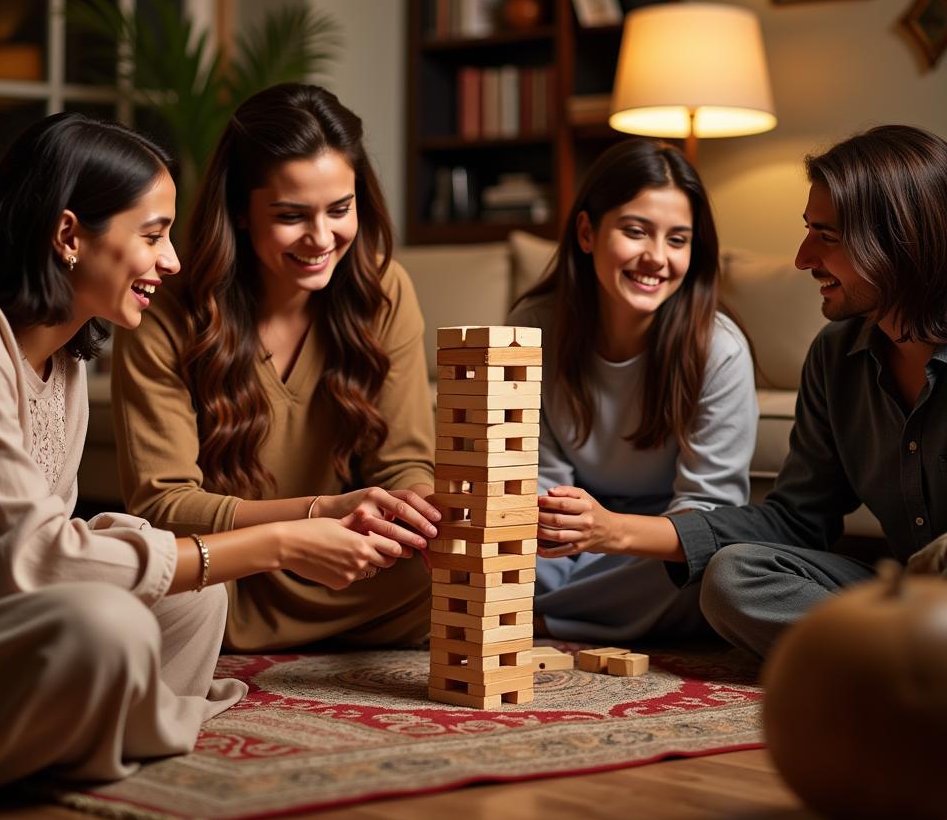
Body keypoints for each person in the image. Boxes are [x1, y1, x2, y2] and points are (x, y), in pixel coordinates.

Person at [0, 113, 425, 807]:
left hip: (3, 629)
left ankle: (91, 732)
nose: (172, 260)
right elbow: (31, 561)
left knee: (191, 600)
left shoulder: (64, 359)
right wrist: (277, 540)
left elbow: (53, 544)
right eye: (153, 235)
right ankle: (100, 735)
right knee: (108, 624)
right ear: (69, 235)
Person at [541, 125, 947, 658]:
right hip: (905, 601)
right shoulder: (834, 357)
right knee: (733, 576)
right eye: (809, 231)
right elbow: (796, 521)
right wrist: (615, 531)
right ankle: (906, 658)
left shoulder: (715, 346)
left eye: (826, 236)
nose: (802, 258)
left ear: (898, 241)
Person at [111, 83, 440, 652]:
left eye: (340, 209)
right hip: (229, 577)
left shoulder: (384, 289)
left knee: (465, 582)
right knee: (148, 593)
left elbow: (404, 459)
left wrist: (413, 510)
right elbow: (163, 506)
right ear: (240, 210)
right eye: (291, 216)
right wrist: (312, 519)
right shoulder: (164, 307)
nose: (321, 238)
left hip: (357, 572)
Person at [507, 138, 757, 643]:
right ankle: (578, 615)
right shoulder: (532, 328)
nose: (656, 258)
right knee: (487, 544)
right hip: (563, 540)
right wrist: (565, 531)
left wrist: (611, 532)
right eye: (636, 231)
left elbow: (707, 512)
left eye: (678, 240)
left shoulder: (720, 349)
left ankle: (539, 620)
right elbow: (533, 481)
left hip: (656, 545)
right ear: (587, 231)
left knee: (716, 571)